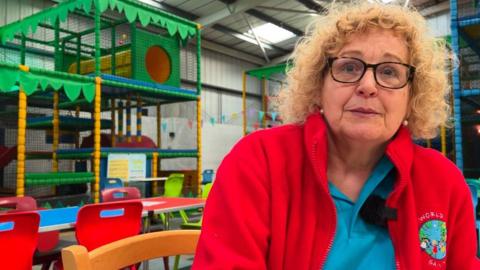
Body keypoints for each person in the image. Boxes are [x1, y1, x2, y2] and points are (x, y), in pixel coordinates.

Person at [193, 2, 480, 269]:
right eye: (349, 67)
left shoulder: (445, 183)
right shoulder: (258, 161)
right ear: (319, 86)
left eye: (390, 71)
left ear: (412, 95)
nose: (367, 86)